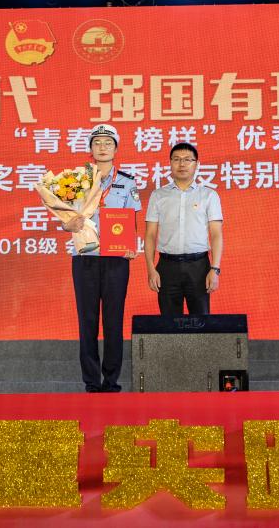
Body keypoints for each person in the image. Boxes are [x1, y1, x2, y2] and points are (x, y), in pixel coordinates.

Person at [63, 124, 140, 392]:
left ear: (116, 149)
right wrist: (68, 225)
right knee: (87, 321)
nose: (103, 147)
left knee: (113, 320)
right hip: (85, 257)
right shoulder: (76, 181)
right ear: (90, 149)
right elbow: (65, 216)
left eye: (108, 143)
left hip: (116, 258)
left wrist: (130, 245)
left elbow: (131, 218)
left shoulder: (127, 181)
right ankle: (91, 382)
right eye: (97, 143)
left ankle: (111, 380)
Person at [144, 143, 223, 315]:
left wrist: (215, 269)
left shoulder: (209, 195)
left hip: (199, 267)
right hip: (167, 267)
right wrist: (151, 269)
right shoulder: (158, 195)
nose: (182, 164)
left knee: (201, 322)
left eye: (188, 160)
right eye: (177, 159)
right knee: (169, 323)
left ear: (197, 164)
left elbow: (216, 234)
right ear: (170, 163)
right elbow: (150, 235)